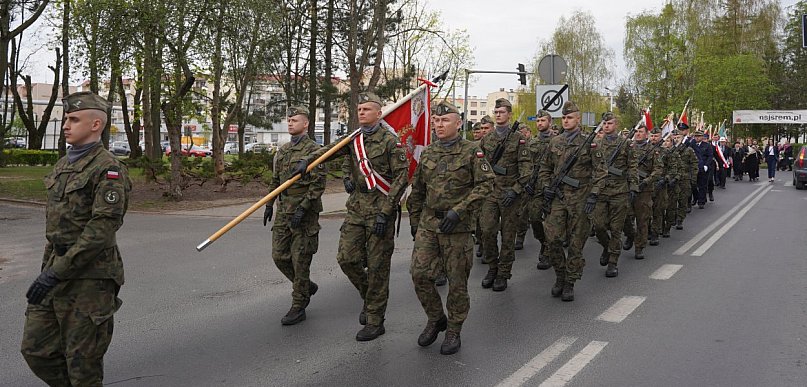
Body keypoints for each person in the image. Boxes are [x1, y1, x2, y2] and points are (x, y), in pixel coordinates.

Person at [21, 91, 132, 386]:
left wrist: (55, 272)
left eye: (73, 119)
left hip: (90, 278)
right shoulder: (63, 165)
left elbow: (101, 231)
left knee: (83, 365)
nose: (66, 125)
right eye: (66, 119)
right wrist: (50, 270)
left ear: (96, 125)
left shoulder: (108, 170)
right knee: (36, 350)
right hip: (55, 269)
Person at [292, 92, 409, 341]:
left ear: (379, 113)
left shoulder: (390, 141)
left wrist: (386, 212)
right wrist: (307, 161)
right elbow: (329, 151)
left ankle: (376, 319)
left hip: (381, 209)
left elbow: (401, 178)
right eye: (359, 109)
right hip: (356, 207)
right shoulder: (354, 139)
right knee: (347, 259)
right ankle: (370, 296)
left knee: (378, 267)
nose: (362, 113)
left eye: (367, 109)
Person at [408, 101, 494, 355]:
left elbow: (486, 185)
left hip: (458, 228)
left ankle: (454, 329)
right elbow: (418, 190)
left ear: (459, 123)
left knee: (457, 282)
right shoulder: (428, 153)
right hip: (429, 224)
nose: (439, 124)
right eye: (436, 120)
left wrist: (460, 209)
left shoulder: (472, 152)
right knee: (419, 274)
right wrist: (414, 221)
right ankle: (436, 318)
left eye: (445, 120)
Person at [263, 106, 326, 325]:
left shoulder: (314, 151)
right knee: (279, 256)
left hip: (304, 213)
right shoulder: (283, 151)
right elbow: (275, 180)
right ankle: (306, 285)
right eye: (288, 120)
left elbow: (318, 184)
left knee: (300, 261)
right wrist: (269, 203)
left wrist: (303, 208)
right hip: (284, 210)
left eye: (295, 120)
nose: (290, 123)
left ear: (306, 123)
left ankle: (299, 304)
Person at [539, 101, 607, 301]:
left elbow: (601, 171)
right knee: (552, 240)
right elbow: (544, 168)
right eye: (564, 117)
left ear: (578, 119)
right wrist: (546, 187)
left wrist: (594, 194)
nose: (566, 121)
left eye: (570, 117)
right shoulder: (555, 142)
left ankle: (570, 282)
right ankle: (560, 275)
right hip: (558, 198)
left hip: (580, 199)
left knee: (576, 245)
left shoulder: (589, 142)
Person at [478, 98, 531, 291]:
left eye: (502, 111)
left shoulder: (518, 139)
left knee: (508, 236)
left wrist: (515, 190)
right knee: (487, 230)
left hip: (510, 193)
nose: (498, 114)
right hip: (490, 193)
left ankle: (503, 273)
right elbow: (479, 166)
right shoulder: (486, 139)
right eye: (496, 111)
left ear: (509, 114)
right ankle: (493, 266)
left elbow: (526, 170)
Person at [591, 112, 637, 278]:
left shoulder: (626, 144)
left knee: (616, 229)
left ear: (615, 124)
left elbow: (632, 167)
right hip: (601, 190)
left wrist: (633, 187)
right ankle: (606, 247)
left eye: (609, 123)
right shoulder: (596, 144)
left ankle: (612, 262)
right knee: (599, 226)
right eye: (604, 123)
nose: (606, 126)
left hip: (619, 191)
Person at [622, 124, 663, 260]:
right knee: (625, 217)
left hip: (644, 190)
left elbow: (658, 170)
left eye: (641, 132)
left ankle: (639, 247)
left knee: (642, 220)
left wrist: (647, 181)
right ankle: (630, 235)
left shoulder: (653, 150)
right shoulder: (628, 147)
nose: (638, 134)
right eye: (636, 132)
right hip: (628, 187)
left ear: (647, 134)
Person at [524, 110, 554, 270]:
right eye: (538, 121)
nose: (540, 123)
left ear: (549, 122)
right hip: (536, 189)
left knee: (551, 222)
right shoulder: (532, 143)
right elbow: (526, 165)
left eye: (543, 120)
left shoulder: (558, 141)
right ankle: (544, 242)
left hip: (552, 188)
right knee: (535, 219)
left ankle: (549, 251)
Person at [692, 130, 714, 208]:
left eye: (698, 136)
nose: (697, 138)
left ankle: (701, 202)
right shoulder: (692, 145)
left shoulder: (707, 145)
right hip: (694, 167)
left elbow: (710, 156)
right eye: (696, 136)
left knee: (702, 185)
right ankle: (696, 197)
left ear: (702, 137)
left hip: (703, 167)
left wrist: (706, 165)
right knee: (693, 185)